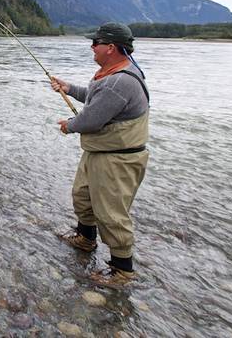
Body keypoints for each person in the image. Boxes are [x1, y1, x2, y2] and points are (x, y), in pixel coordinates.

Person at [51, 22, 150, 288]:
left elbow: (91, 120)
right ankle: (85, 239)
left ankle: (122, 271)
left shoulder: (120, 81)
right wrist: (69, 88)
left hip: (118, 159)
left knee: (111, 213)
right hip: (100, 152)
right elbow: (96, 99)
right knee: (82, 196)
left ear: (111, 47)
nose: (92, 47)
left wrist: (69, 126)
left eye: (96, 43)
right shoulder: (111, 75)